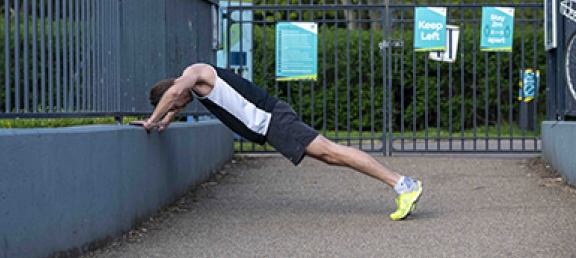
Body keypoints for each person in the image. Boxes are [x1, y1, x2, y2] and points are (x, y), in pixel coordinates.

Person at [135, 62, 423, 220]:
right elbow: (175, 102)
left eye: (176, 103)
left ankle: (403, 184)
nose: (180, 107)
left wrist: (151, 121)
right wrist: (163, 121)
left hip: (274, 120)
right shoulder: (192, 88)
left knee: (332, 152)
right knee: (329, 155)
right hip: (273, 123)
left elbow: (174, 96)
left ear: (172, 87)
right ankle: (401, 183)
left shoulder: (193, 73)